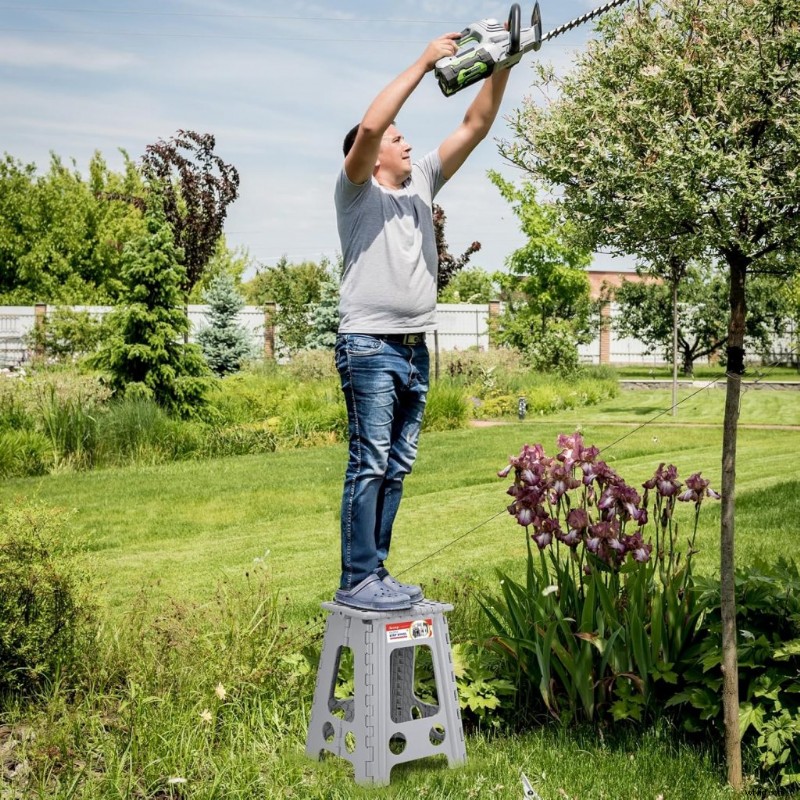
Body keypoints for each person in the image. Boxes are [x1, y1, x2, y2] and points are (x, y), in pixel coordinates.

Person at [333, 32, 514, 612]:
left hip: (415, 349)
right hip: (369, 345)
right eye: (397, 138)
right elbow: (369, 127)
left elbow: (475, 125)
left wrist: (503, 66)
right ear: (372, 155)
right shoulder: (356, 193)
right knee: (370, 461)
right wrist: (423, 61)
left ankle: (375, 572)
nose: (406, 141)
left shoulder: (422, 182)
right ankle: (357, 578)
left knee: (396, 465)